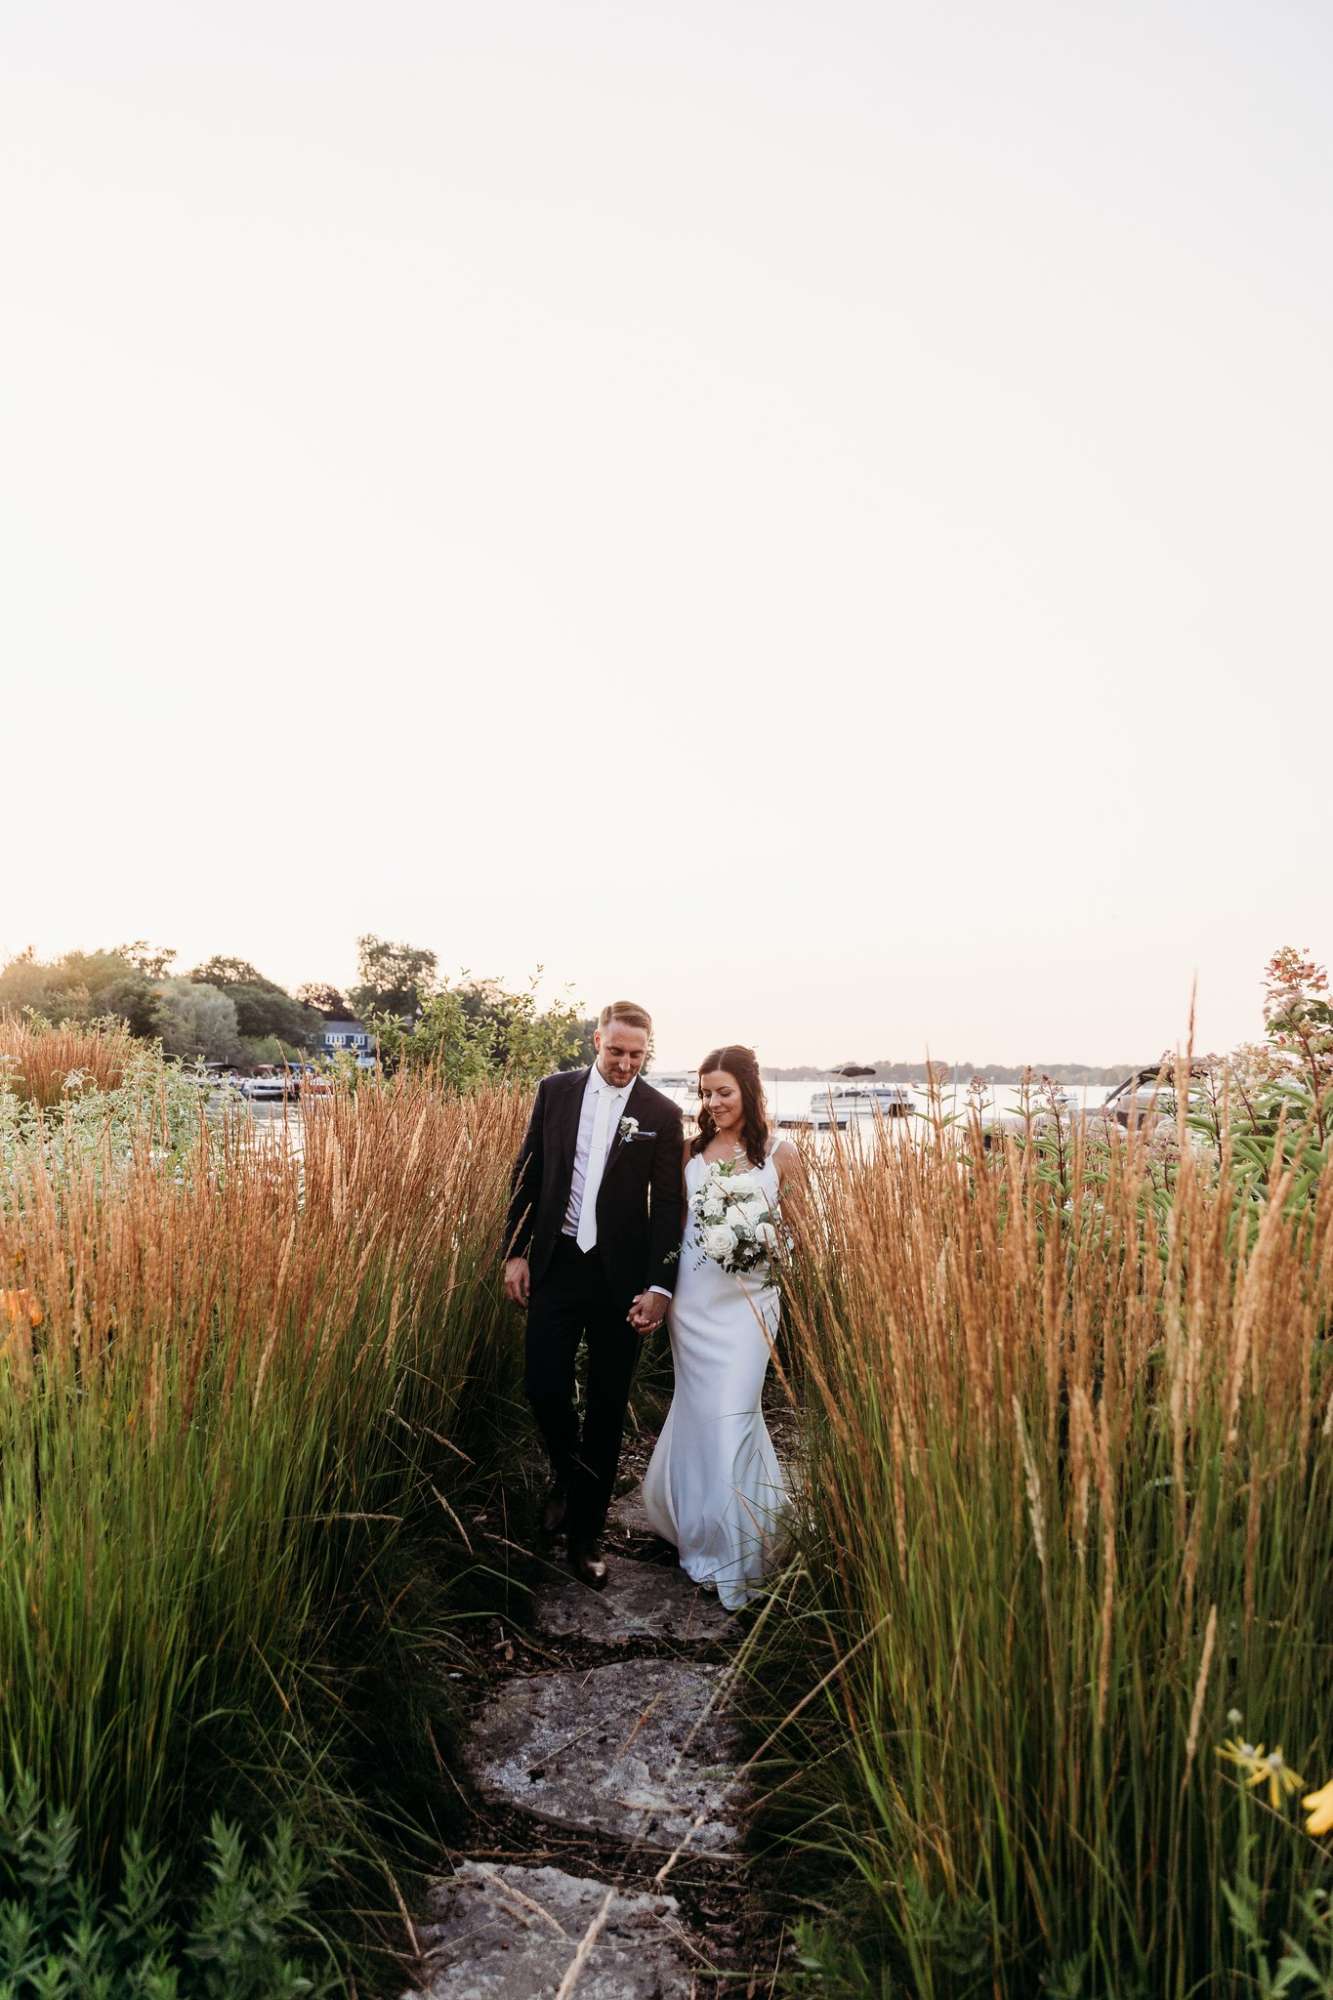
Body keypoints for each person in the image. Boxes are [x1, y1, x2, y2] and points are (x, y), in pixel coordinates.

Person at [504, 1001, 684, 1590]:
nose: (626, 1063)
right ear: (596, 1041)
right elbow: (528, 1172)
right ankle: (568, 1473)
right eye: (616, 1051)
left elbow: (669, 1210)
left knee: (607, 1408)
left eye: (637, 1054)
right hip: (556, 1264)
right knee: (543, 1385)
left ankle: (586, 1537)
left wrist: (659, 1287)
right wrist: (514, 1251)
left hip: (621, 1279)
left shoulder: (662, 1112)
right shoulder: (553, 1092)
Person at [638, 1045, 802, 1610]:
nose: (713, 1102)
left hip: (754, 1303)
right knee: (702, 1410)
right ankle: (700, 1526)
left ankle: (737, 1548)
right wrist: (658, 1290)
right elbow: (671, 1232)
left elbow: (798, 1236)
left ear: (749, 1093)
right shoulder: (690, 1152)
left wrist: (765, 1249)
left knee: (737, 1409)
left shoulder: (783, 1154)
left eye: (724, 1092)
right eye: (706, 1092)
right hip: (697, 1301)